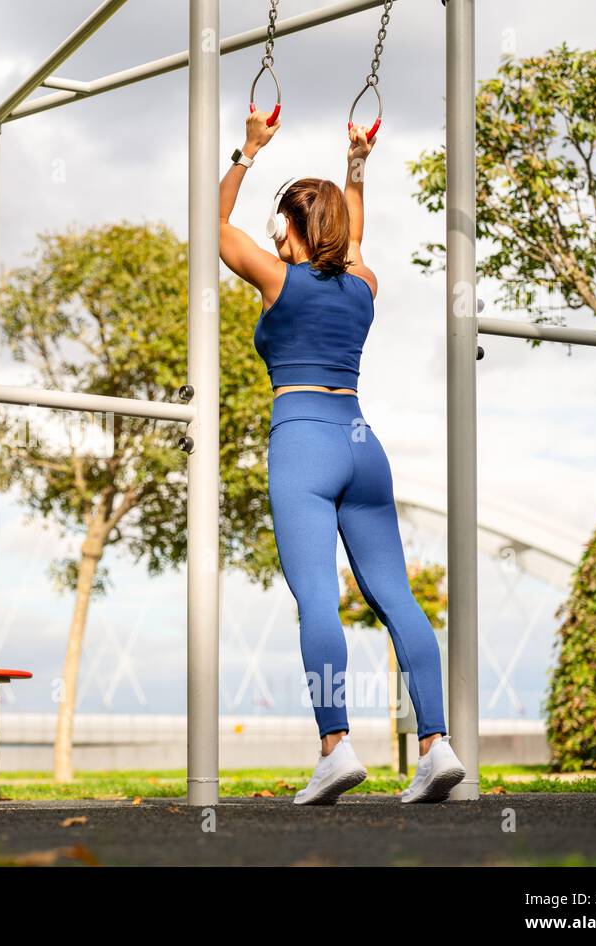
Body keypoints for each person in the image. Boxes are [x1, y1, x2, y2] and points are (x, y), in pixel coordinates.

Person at [218, 109, 466, 805]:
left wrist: (247, 150)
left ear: (290, 231)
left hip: (301, 441)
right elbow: (351, 232)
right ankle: (436, 745)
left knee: (318, 600)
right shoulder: (364, 284)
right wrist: (356, 165)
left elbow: (210, 224)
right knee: (396, 598)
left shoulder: (275, 279)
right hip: (362, 447)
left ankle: (335, 746)